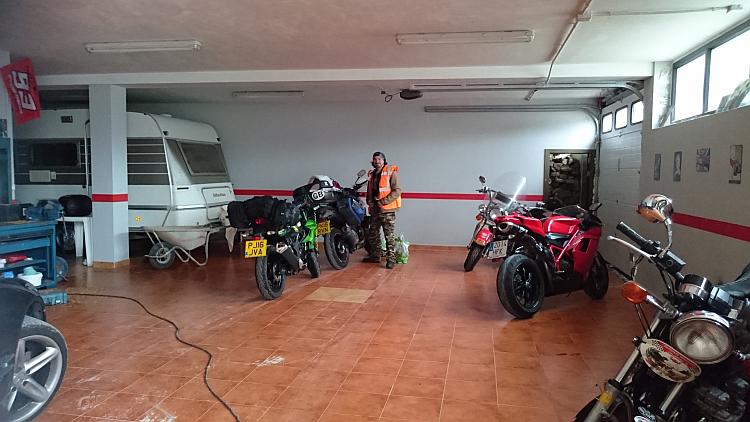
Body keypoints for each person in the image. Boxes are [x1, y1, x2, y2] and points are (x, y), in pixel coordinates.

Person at [363, 151, 402, 269]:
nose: (377, 161)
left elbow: (397, 191)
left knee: (388, 235)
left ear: (384, 160)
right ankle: (375, 256)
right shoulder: (372, 174)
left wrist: (382, 202)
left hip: (387, 210)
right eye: (375, 159)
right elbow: (370, 191)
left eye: (379, 159)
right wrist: (369, 202)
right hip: (375, 209)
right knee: (373, 233)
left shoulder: (391, 172)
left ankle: (391, 259)